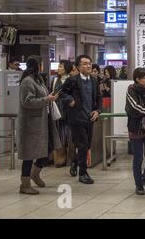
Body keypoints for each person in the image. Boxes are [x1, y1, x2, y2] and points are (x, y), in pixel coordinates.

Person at [17, 56, 61, 194]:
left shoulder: (38, 79)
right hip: (31, 124)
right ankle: (24, 184)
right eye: (41, 63)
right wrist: (46, 99)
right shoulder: (27, 82)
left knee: (48, 148)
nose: (43, 65)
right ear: (36, 65)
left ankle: (35, 173)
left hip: (43, 121)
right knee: (29, 154)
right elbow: (27, 102)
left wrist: (49, 97)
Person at [61, 55, 102, 184]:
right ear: (78, 67)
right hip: (77, 118)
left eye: (89, 63)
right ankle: (83, 173)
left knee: (86, 145)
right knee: (83, 145)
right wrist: (70, 100)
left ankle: (74, 162)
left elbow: (99, 99)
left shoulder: (94, 81)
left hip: (89, 118)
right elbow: (61, 93)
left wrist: (98, 111)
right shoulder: (72, 80)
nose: (88, 66)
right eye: (84, 64)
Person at [51, 60, 73, 167]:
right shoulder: (55, 80)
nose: (58, 68)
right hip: (57, 111)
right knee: (59, 136)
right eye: (58, 66)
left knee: (70, 136)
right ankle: (59, 160)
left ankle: (71, 159)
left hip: (69, 112)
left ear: (67, 68)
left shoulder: (72, 80)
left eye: (60, 66)